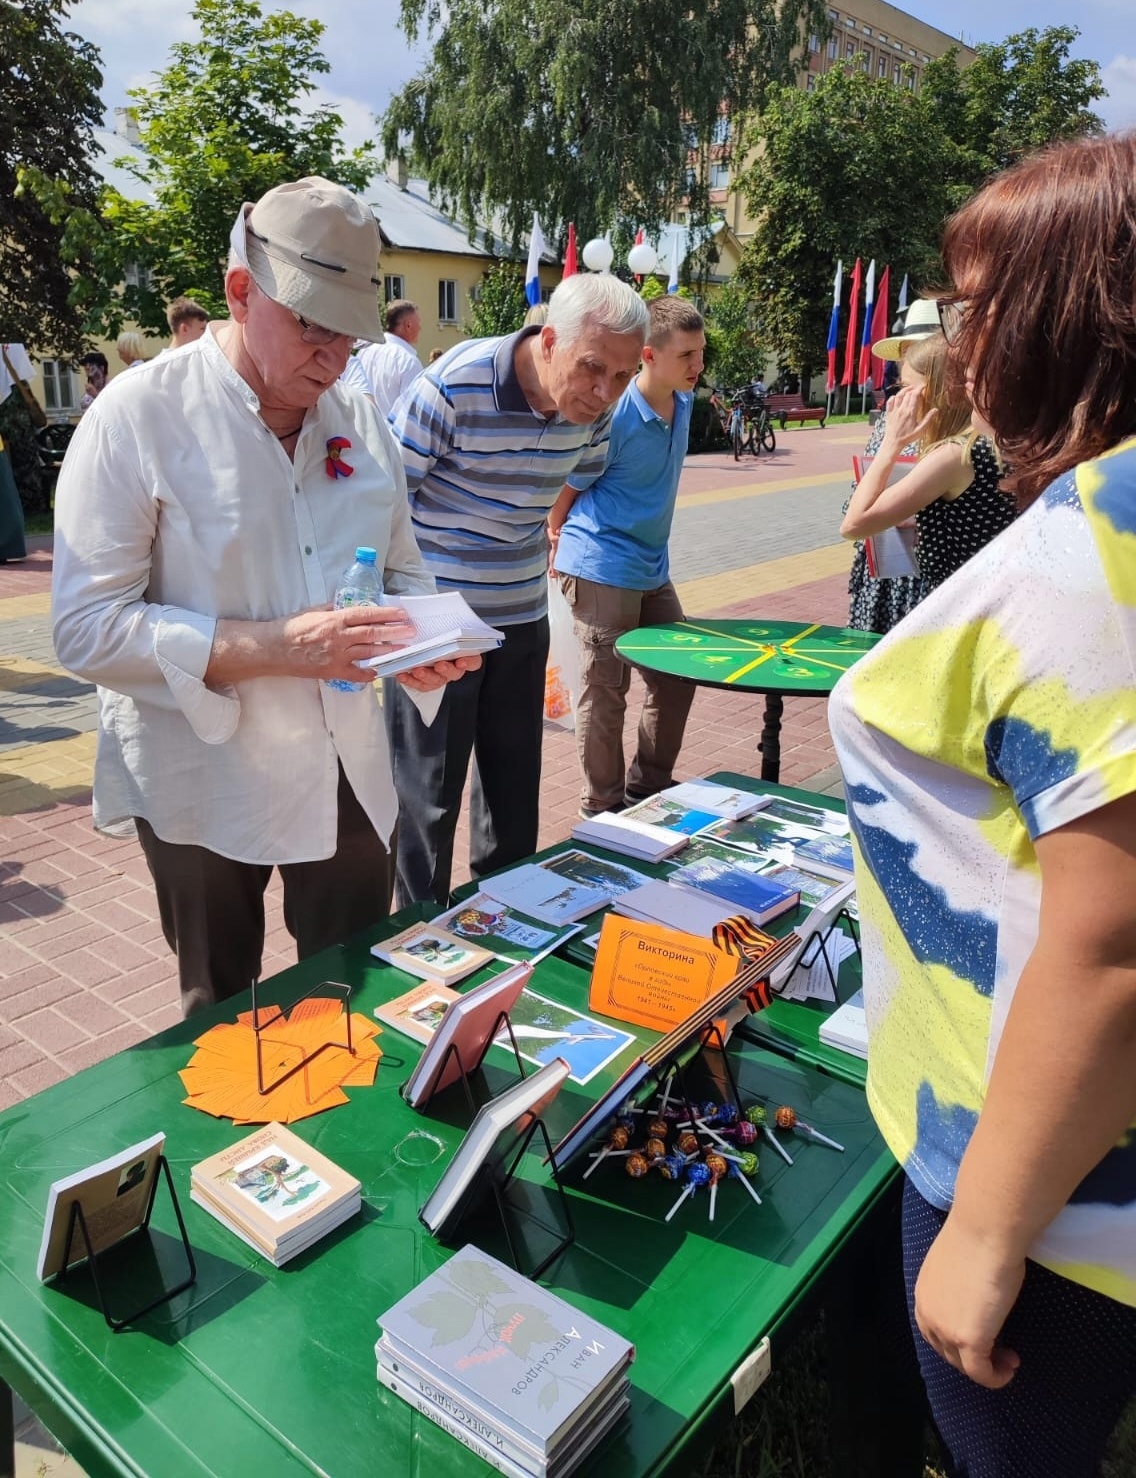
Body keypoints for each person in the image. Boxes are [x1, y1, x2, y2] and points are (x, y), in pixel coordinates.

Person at [829, 131, 1136, 1477]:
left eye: (966, 305)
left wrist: (992, 1231)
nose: (950, 343)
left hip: (1049, 1190)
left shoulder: (1091, 561)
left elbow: (1112, 942)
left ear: (1055, 309)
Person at [52, 175, 479, 1017]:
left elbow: (405, 571)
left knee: (350, 1000)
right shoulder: (140, 417)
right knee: (222, 1017)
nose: (332, 355)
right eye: (311, 324)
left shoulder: (359, 422)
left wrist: (420, 644)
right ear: (240, 292)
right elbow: (85, 629)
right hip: (199, 775)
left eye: (349, 332)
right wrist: (279, 648)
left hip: (345, 765)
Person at [386, 272, 649, 905]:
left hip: (522, 617)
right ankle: (418, 938)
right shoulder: (453, 385)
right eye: (592, 369)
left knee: (512, 793)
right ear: (550, 338)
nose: (605, 391)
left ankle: (502, 921)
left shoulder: (596, 412)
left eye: (622, 376)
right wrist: (406, 619)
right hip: (439, 627)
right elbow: (386, 498)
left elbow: (580, 473)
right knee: (428, 798)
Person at [547, 296, 704, 817]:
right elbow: (566, 490)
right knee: (606, 690)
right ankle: (603, 810)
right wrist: (554, 538)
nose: (697, 366)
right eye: (687, 356)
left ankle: (647, 790)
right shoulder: (615, 417)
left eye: (701, 353)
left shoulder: (683, 405)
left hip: (650, 569)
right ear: (649, 356)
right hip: (600, 563)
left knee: (677, 676)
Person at [840, 329, 1015, 592]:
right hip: (994, 590)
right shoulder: (993, 439)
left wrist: (891, 443)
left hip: (960, 601)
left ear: (940, 391)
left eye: (907, 389)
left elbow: (854, 525)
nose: (898, 399)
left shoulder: (954, 454)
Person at [846, 299, 942, 633]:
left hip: (922, 580)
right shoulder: (893, 419)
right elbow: (855, 502)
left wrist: (917, 517)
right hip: (882, 572)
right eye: (904, 355)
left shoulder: (957, 434)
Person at [346, 298, 423, 415]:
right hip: (392, 432)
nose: (420, 328)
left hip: (363, 427)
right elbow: (413, 414)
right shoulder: (408, 361)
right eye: (419, 323)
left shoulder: (365, 350)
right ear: (408, 325)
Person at [0, 341, 46, 515]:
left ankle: (16, 506)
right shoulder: (21, 384)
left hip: (7, 432)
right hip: (23, 431)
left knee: (11, 470)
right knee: (28, 468)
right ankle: (34, 505)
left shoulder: (3, 387)